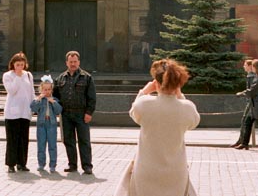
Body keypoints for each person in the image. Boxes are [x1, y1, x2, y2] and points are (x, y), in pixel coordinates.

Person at [114, 58, 200, 196]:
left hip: (146, 169)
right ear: (178, 83)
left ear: (156, 83)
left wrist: (144, 91)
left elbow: (133, 112)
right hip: (176, 172)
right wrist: (179, 95)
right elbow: (194, 121)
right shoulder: (187, 107)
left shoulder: (144, 104)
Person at [53, 50, 96, 174]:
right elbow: (55, 96)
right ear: (66, 63)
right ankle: (72, 165)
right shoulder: (60, 78)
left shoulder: (87, 77)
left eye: (75, 61)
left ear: (79, 62)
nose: (73, 64)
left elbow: (92, 97)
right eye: (70, 62)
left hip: (82, 114)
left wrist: (89, 113)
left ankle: (87, 166)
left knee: (84, 141)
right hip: (66, 114)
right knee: (68, 140)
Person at [2, 51, 35, 173]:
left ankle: (22, 163)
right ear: (13, 65)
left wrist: (33, 106)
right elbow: (12, 90)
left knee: (23, 139)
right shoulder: (8, 76)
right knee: (12, 139)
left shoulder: (28, 75)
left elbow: (31, 92)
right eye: (17, 65)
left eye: (22, 64)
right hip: (12, 113)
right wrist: (17, 76)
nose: (20, 67)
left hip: (25, 111)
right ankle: (11, 164)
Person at [31, 74, 62, 173]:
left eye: (49, 90)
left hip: (51, 124)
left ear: (52, 90)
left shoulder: (54, 100)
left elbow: (59, 110)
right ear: (41, 90)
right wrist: (38, 99)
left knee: (52, 145)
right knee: (41, 145)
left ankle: (52, 165)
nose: (47, 92)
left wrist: (53, 102)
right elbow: (33, 108)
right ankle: (41, 164)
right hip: (41, 124)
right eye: (45, 89)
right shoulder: (39, 100)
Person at [230, 59, 256, 147]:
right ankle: (242, 141)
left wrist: (241, 93)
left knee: (245, 120)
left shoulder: (252, 76)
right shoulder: (250, 75)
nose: (243, 66)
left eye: (245, 65)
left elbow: (251, 90)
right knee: (248, 121)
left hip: (252, 102)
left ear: (250, 66)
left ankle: (242, 141)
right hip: (251, 102)